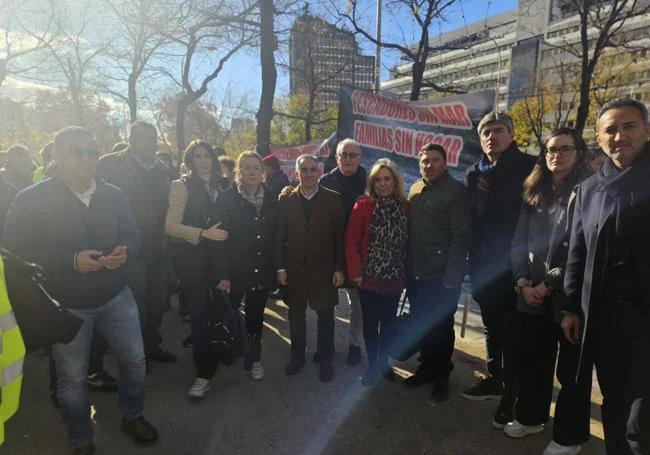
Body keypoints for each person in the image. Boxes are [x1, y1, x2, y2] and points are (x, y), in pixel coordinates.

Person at [3, 126, 158, 454]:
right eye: (77, 151)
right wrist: (70, 260)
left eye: (92, 153)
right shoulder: (31, 199)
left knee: (134, 361)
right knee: (72, 378)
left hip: (116, 295)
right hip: (65, 304)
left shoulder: (113, 194)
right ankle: (81, 439)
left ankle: (132, 415)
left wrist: (124, 253)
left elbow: (133, 234)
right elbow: (14, 252)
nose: (86, 159)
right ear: (56, 154)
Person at [565, 98, 650, 455]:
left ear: (646, 129)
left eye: (628, 126)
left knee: (641, 418)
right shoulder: (588, 190)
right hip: (602, 319)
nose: (619, 136)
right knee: (613, 403)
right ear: (599, 139)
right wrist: (570, 306)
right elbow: (577, 252)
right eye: (610, 130)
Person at [507, 128, 592, 455]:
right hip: (530, 292)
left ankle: (570, 437)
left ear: (579, 153)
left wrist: (547, 284)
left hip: (569, 297)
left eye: (566, 149)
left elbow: (578, 250)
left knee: (571, 371)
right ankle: (531, 417)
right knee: (533, 360)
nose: (557, 155)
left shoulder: (588, 191)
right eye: (551, 149)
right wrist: (522, 282)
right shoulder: (533, 190)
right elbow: (518, 240)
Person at [463, 112, 535, 427]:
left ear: (511, 134)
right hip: (481, 267)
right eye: (486, 132)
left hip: (514, 267)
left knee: (514, 335)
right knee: (492, 328)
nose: (492, 136)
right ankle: (495, 379)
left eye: (499, 130)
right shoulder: (472, 173)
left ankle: (512, 394)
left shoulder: (530, 167)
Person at [97, 122, 176, 364]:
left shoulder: (163, 170)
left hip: (158, 248)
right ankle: (132, 356)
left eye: (153, 139)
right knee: (133, 306)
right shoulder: (109, 164)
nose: (149, 143)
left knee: (157, 302)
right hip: (126, 247)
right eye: (143, 138)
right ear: (131, 139)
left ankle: (151, 346)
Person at [403, 143, 471, 402]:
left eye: (434, 160)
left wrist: (452, 277)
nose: (428, 165)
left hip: (442, 276)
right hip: (416, 273)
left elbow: (461, 235)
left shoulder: (455, 192)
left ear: (445, 163)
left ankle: (441, 375)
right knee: (422, 325)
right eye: (424, 161)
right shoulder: (416, 189)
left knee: (442, 328)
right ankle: (425, 368)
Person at [165, 140, 229, 398]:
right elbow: (170, 226)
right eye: (197, 156)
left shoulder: (224, 184)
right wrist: (203, 234)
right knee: (201, 318)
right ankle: (203, 373)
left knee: (222, 313)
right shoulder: (181, 186)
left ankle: (223, 353)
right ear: (190, 161)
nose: (204, 160)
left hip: (223, 262)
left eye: (207, 155)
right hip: (196, 263)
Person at [276, 154, 345, 382]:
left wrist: (339, 268)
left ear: (319, 171)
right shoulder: (285, 199)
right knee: (296, 315)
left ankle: (325, 359)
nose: (308, 174)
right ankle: (297, 356)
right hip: (294, 269)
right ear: (296, 173)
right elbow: (279, 237)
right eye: (303, 170)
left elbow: (339, 238)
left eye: (312, 169)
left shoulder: (333, 199)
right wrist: (280, 268)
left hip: (324, 270)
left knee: (326, 317)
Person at [345, 158, 408, 386]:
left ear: (394, 181)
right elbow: (351, 241)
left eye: (387, 179)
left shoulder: (405, 205)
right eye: (378, 180)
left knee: (389, 324)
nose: (382, 184)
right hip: (368, 277)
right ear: (372, 182)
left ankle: (384, 363)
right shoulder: (362, 205)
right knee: (371, 324)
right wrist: (355, 272)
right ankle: (373, 365)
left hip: (394, 277)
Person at [221, 151, 278, 381]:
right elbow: (220, 238)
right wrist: (223, 273)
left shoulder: (272, 196)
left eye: (256, 168)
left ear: (262, 172)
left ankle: (254, 359)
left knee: (255, 316)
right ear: (238, 172)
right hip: (235, 269)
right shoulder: (227, 197)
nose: (252, 172)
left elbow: (276, 234)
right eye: (246, 168)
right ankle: (228, 348)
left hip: (261, 269)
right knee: (229, 311)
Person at [319, 138, 367, 366]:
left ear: (360, 157)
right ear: (336, 158)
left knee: (358, 304)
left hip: (359, 253)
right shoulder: (325, 181)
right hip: (330, 252)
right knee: (326, 302)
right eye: (343, 155)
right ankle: (325, 345)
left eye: (352, 155)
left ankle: (355, 344)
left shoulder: (370, 180)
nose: (347, 159)